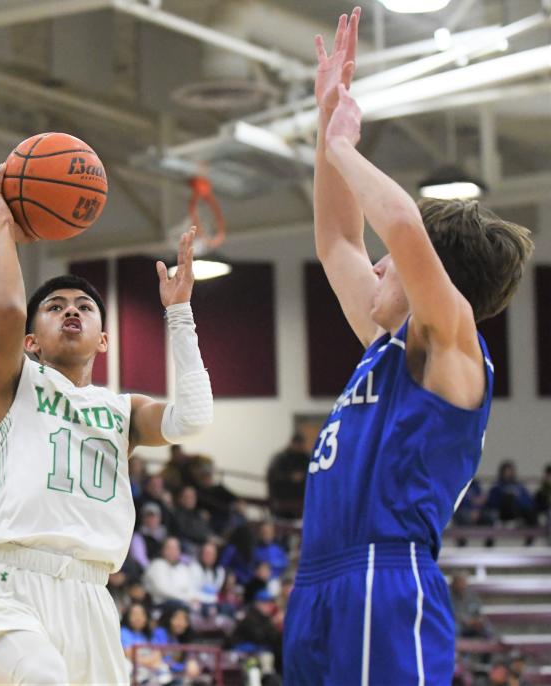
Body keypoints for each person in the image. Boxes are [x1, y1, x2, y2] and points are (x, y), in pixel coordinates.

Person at [283, 8, 534, 684]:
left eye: (391, 263)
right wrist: (324, 118)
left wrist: (345, 145)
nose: (378, 267)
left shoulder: (450, 341)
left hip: (384, 579)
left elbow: (398, 225)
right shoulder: (386, 346)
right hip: (320, 581)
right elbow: (337, 240)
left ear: (430, 276)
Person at [0, 165, 213, 686]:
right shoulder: (15, 384)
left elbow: (193, 419)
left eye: (85, 306)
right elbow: (4, 310)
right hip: (7, 582)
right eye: (54, 306)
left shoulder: (122, 410)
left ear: (104, 340)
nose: (72, 311)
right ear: (31, 340)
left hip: (90, 596)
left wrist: (179, 314)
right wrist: (4, 228)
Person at [119, 603, 170, 686]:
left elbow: (158, 654)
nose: (138, 618)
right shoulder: (123, 632)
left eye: (141, 615)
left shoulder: (149, 634)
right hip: (136, 668)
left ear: (146, 618)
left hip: (150, 667)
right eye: (134, 614)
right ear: (128, 617)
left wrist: (150, 663)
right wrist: (149, 663)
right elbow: (130, 655)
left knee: (164, 668)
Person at [266, 433, 310, 520]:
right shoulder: (280, 458)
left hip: (300, 503)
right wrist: (290, 478)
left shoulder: (306, 458)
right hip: (281, 502)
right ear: (293, 444)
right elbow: (273, 476)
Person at [486, 460, 538, 526]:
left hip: (518, 511)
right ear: (502, 472)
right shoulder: (497, 487)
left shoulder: (519, 487)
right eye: (506, 471)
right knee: (508, 498)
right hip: (502, 512)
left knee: (531, 512)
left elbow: (528, 501)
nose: (508, 474)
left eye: (510, 471)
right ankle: (509, 521)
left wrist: (517, 498)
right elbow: (492, 503)